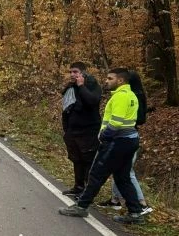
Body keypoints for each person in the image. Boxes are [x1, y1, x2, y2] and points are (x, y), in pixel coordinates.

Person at [59, 68, 144, 223]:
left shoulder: (120, 97)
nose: (106, 80)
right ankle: (136, 212)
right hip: (130, 140)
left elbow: (116, 122)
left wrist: (104, 136)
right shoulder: (131, 95)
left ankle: (81, 207)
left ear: (120, 81)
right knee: (122, 177)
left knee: (96, 173)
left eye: (110, 78)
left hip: (117, 141)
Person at [98, 71, 152, 213]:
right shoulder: (132, 94)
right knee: (119, 170)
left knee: (127, 172)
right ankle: (115, 199)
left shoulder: (131, 96)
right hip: (125, 135)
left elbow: (137, 118)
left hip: (126, 135)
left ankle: (141, 203)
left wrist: (105, 134)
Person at [61, 61, 102, 198]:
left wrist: (81, 86)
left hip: (88, 131)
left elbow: (92, 101)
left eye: (75, 72)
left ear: (83, 73)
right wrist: (66, 130)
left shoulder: (92, 85)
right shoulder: (70, 88)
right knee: (76, 159)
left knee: (88, 161)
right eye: (71, 72)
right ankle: (78, 187)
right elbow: (66, 110)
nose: (72, 74)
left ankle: (88, 192)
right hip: (73, 131)